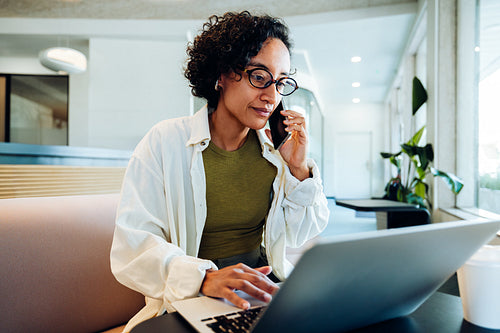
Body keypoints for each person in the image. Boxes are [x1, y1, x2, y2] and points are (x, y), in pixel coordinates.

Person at [110, 11, 330, 332]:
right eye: (259, 77)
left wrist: (297, 167)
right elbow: (133, 246)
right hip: (192, 300)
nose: (272, 96)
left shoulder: (275, 153)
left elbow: (302, 232)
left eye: (281, 82)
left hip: (266, 293)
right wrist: (204, 278)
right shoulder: (165, 141)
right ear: (223, 75)